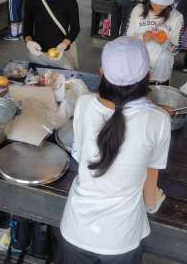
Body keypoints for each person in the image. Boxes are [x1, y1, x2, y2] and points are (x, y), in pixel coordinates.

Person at [60, 36, 171, 264]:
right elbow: (150, 187)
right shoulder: (158, 120)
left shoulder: (83, 104)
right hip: (120, 240)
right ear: (148, 77)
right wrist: (152, 205)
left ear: (102, 73)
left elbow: (80, 154)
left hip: (75, 230)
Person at [24, 0, 80, 70]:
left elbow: (75, 28)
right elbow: (27, 26)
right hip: (37, 54)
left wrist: (63, 45)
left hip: (61, 54)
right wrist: (29, 42)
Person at [127, 0, 183, 85]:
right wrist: (142, 37)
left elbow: (175, 50)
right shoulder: (138, 10)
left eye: (163, 3)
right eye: (155, 1)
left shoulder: (177, 17)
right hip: (136, 68)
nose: (158, 6)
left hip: (160, 74)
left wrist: (166, 42)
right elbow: (126, 40)